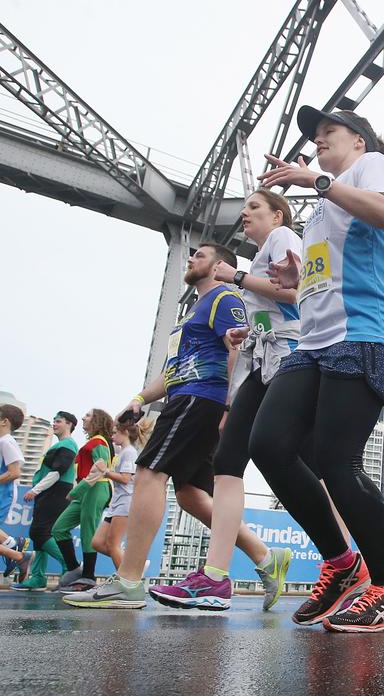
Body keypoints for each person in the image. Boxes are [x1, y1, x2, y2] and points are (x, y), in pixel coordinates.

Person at [247, 105, 384, 633]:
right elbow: (315, 279)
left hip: (363, 334)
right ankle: (343, 564)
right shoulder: (321, 209)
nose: (318, 140)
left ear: (359, 141)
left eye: (328, 132)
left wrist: (316, 179)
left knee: (339, 463)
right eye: (314, 137)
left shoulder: (371, 168)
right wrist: (295, 273)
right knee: (269, 445)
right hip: (314, 342)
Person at [64, 244, 283, 609]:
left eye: (200, 255)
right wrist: (140, 398)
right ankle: (265, 557)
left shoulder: (224, 297)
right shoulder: (193, 310)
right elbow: (173, 371)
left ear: (220, 266)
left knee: (149, 472)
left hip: (200, 399)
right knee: (189, 494)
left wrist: (231, 405)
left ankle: (128, 582)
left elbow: (239, 351)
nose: (191, 258)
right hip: (190, 395)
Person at [148, 189, 301, 611]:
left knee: (318, 466)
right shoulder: (260, 256)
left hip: (290, 362)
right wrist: (246, 333)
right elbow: (270, 311)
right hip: (263, 362)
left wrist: (234, 276)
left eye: (254, 207)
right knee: (229, 463)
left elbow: (295, 293)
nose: (245, 214)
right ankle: (217, 577)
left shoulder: (284, 237)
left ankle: (347, 565)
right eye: (245, 207)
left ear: (277, 214)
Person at [13, 411, 78, 590]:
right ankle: (38, 577)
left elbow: (57, 472)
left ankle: (70, 567)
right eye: (54, 421)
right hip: (49, 492)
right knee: (39, 534)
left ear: (69, 424)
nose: (54, 424)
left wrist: (35, 490)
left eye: (58, 421)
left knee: (40, 532)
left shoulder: (68, 445)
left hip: (55, 491)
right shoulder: (61, 445)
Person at [54, 409, 115, 592]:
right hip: (87, 490)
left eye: (87, 415)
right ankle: (74, 569)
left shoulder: (99, 442)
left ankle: (88, 577)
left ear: (97, 420)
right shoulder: (94, 442)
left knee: (88, 532)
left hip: (95, 489)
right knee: (59, 528)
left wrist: (76, 491)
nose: (83, 417)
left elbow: (99, 470)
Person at [91, 419, 150, 571]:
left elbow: (125, 478)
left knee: (113, 544)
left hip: (125, 502)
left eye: (115, 432)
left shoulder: (130, 452)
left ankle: (125, 579)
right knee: (97, 543)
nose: (112, 436)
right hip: (116, 503)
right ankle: (134, 567)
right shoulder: (123, 452)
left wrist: (105, 471)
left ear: (124, 433)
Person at [0, 405, 32, 579]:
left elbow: (15, 472)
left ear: (5, 421)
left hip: (3, 494)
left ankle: (18, 554)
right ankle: (16, 549)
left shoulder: (7, 441)